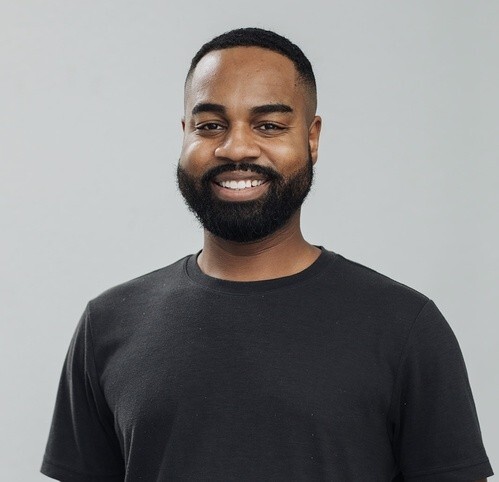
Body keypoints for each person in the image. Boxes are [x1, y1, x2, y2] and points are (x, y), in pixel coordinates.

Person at [41, 27, 493, 481]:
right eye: (210, 125)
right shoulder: (108, 324)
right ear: (184, 134)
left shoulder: (405, 327)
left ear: (312, 138)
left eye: (269, 125)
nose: (236, 147)